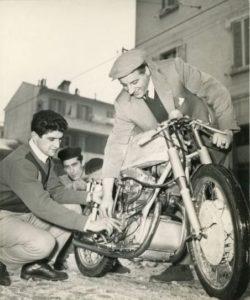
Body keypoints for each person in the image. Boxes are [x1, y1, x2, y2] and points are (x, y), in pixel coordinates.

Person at [99, 48, 239, 282]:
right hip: (173, 152)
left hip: (208, 140)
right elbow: (115, 147)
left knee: (221, 200)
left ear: (147, 71)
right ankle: (183, 263)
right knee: (179, 200)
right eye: (125, 86)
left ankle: (235, 257)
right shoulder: (123, 104)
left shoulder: (174, 69)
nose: (131, 90)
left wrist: (226, 130)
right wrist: (106, 193)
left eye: (134, 82)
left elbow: (215, 89)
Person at [0, 110, 120, 286]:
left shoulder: (43, 157)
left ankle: (35, 265)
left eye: (59, 139)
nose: (57, 145)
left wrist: (91, 196)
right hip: (4, 215)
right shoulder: (22, 162)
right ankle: (3, 261)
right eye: (51, 139)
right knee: (44, 244)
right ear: (34, 136)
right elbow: (42, 205)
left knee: (73, 208)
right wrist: (88, 224)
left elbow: (56, 192)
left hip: (22, 213)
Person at [57, 147, 130, 274]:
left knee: (110, 208)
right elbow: (57, 195)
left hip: (94, 216)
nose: (72, 170)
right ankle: (59, 257)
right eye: (67, 167)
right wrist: (73, 186)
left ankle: (111, 259)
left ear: (81, 162)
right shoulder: (62, 181)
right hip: (75, 222)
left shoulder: (92, 171)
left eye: (74, 164)